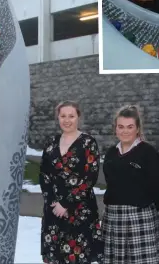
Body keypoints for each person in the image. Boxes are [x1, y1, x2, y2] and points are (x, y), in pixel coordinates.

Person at [39, 101, 104, 264]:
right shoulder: (50, 143)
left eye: (71, 116)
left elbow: (90, 177)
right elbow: (44, 175)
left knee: (77, 257)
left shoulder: (88, 143)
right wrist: (55, 203)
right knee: (55, 258)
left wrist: (66, 204)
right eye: (63, 116)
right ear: (57, 118)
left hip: (79, 210)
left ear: (78, 118)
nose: (67, 120)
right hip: (54, 211)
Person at [102, 105, 159, 264]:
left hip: (140, 217)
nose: (125, 131)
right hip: (113, 218)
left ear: (137, 129)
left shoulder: (148, 152)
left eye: (130, 127)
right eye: (121, 127)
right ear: (115, 129)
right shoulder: (110, 153)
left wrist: (142, 205)